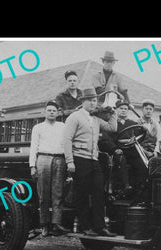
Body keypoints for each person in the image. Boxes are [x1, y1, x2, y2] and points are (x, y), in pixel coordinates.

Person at [63, 88, 118, 237]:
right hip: (79, 159)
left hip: (93, 159)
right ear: (83, 102)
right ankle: (84, 226)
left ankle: (100, 227)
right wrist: (70, 161)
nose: (93, 103)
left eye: (95, 100)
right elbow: (67, 139)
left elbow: (112, 128)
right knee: (82, 193)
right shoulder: (75, 117)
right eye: (90, 100)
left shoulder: (96, 119)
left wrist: (113, 112)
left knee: (99, 192)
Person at [29, 100, 70, 236]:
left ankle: (56, 223)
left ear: (58, 113)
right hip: (43, 159)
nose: (52, 112)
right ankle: (44, 224)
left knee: (58, 193)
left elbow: (67, 144)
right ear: (44, 112)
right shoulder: (38, 128)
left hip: (59, 159)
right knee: (43, 194)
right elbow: (33, 147)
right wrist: (32, 166)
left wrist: (69, 161)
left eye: (54, 111)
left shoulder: (63, 126)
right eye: (49, 110)